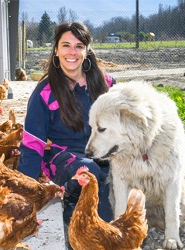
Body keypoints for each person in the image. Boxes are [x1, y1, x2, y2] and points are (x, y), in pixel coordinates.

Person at [18, 22, 116, 223]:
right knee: (91, 174)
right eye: (66, 45)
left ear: (87, 51)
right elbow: (32, 144)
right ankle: (81, 215)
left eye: (79, 46)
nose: (72, 52)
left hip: (102, 152)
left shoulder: (107, 83)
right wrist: (23, 195)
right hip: (66, 159)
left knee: (121, 171)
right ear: (56, 50)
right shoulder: (44, 93)